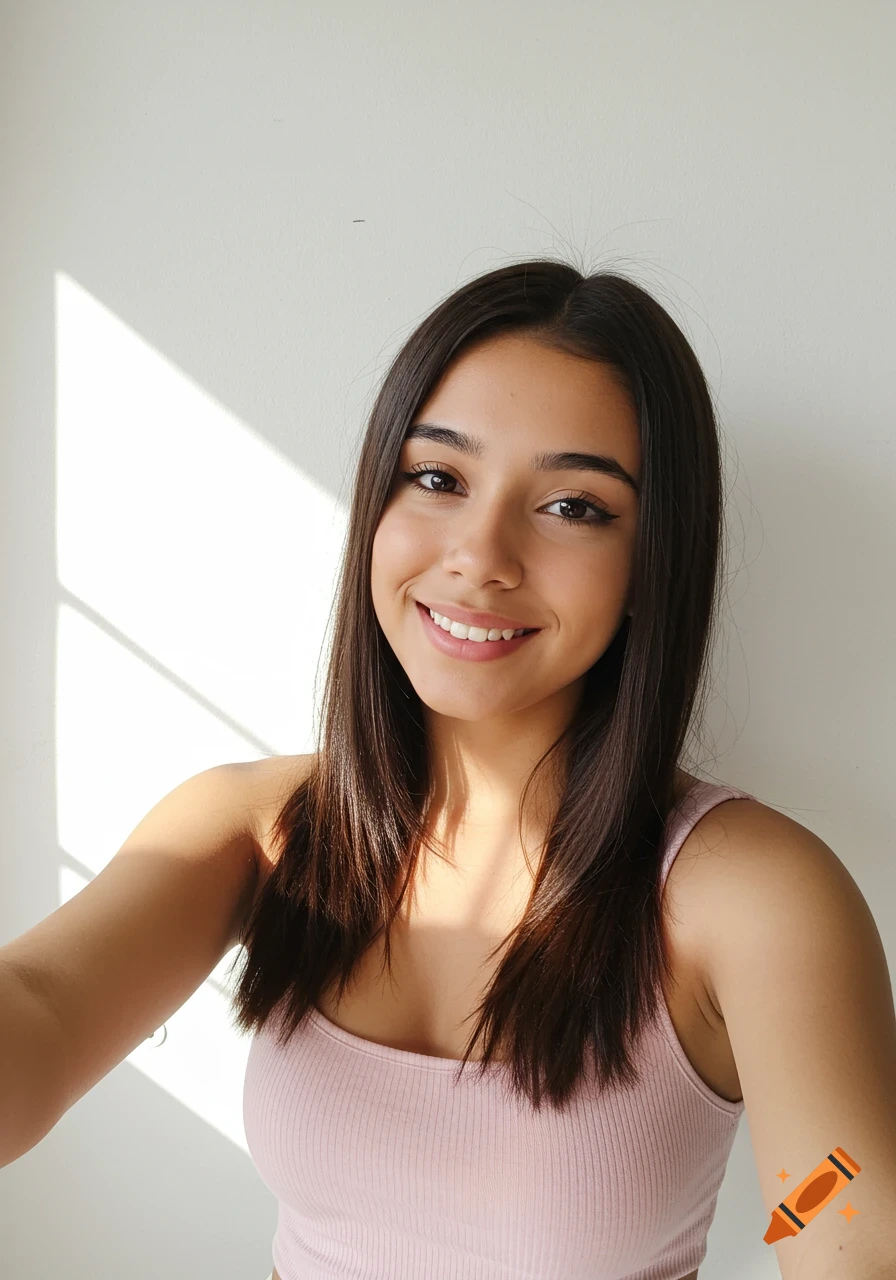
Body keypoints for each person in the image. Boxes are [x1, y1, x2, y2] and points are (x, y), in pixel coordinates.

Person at [2, 259, 894, 1280]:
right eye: (437, 478)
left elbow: (843, 1210)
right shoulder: (255, 827)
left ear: (654, 559)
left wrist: (808, 1218)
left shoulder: (746, 892)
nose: (479, 552)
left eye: (573, 506)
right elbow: (36, 1014)